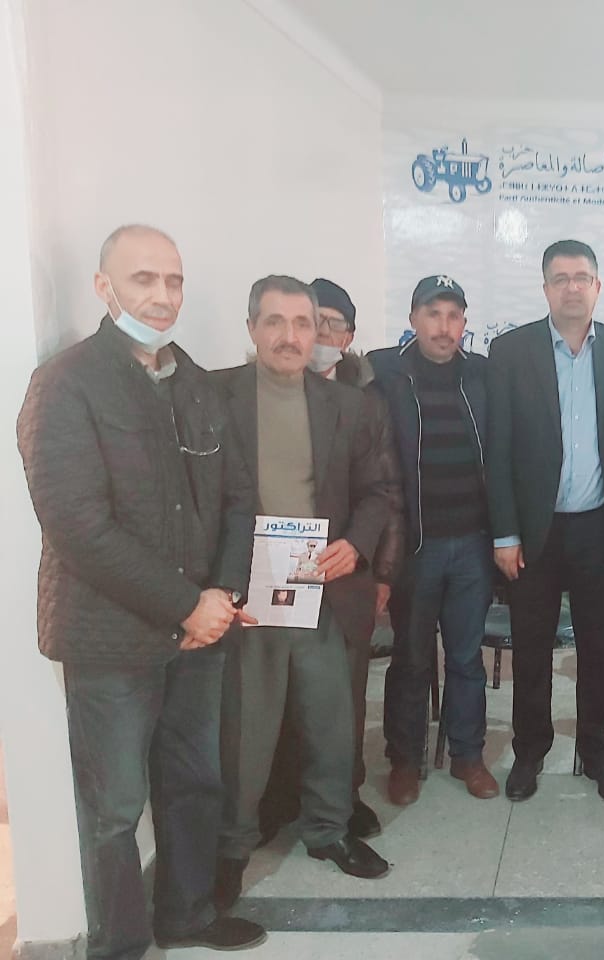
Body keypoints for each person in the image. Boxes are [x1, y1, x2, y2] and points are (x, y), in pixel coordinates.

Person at [16, 224, 266, 957]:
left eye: (173, 280)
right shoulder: (65, 385)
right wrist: (186, 605)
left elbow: (239, 499)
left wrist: (221, 595)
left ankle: (187, 916)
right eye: (143, 279)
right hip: (112, 639)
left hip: (201, 634)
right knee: (115, 809)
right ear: (104, 288)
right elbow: (78, 527)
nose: (162, 295)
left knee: (194, 783)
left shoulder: (194, 382)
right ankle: (119, 945)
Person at [213, 275, 398, 910]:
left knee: (330, 721)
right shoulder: (214, 396)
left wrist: (357, 544)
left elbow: (379, 492)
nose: (290, 336)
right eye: (275, 321)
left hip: (324, 585)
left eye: (302, 323)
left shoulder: (348, 405)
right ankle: (232, 849)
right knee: (246, 730)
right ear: (252, 328)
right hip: (246, 594)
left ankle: (328, 830)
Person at [486, 239, 604, 804]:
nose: (572, 288)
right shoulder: (511, 351)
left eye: (582, 278)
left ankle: (597, 752)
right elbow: (498, 449)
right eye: (561, 278)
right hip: (536, 531)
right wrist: (505, 533)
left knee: (600, 647)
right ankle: (530, 751)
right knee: (531, 647)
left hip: (600, 528)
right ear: (546, 288)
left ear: (597, 287)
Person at [255, 277, 402, 848]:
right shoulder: (240, 393)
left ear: (347, 335)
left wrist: (377, 566)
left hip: (341, 577)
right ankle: (276, 801)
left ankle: (340, 802)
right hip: (266, 576)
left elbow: (384, 491)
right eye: (306, 323)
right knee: (274, 699)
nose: (311, 336)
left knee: (339, 702)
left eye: (327, 325)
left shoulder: (363, 401)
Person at [369, 274, 498, 804]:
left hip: (472, 544)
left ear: (464, 323)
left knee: (466, 657)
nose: (444, 327)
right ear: (413, 319)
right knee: (412, 658)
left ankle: (468, 754)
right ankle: (405, 759)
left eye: (453, 316)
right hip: (415, 547)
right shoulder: (386, 375)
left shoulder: (483, 376)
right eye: (433, 314)